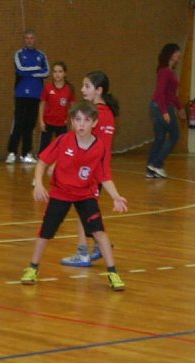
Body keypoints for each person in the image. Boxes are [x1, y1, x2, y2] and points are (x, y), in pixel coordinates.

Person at [19, 101, 128, 291]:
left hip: (85, 194)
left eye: (86, 120)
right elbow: (42, 161)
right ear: (71, 121)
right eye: (77, 119)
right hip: (60, 193)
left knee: (99, 232)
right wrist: (39, 184)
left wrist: (116, 196)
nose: (81, 124)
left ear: (94, 123)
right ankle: (32, 268)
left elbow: (104, 176)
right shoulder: (63, 140)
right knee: (45, 232)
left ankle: (113, 273)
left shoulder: (100, 147)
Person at [60, 70, 120, 267]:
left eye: (87, 86)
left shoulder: (97, 115)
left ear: (99, 90)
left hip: (91, 172)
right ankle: (99, 246)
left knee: (82, 211)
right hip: (95, 170)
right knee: (86, 211)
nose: (82, 90)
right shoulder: (106, 112)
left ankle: (84, 252)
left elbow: (84, 143)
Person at [6, 29, 49, 165]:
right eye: (27, 38)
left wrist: (31, 71)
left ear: (35, 40)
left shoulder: (41, 55)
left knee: (30, 125)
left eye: (32, 38)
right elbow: (20, 70)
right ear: (24, 40)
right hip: (21, 94)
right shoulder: (19, 54)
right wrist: (36, 68)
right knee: (18, 123)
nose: (29, 40)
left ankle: (26, 153)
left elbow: (46, 72)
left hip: (36, 95)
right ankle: (12, 152)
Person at [146, 43, 185, 179]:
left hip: (159, 106)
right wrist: (164, 111)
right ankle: (157, 164)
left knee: (160, 138)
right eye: (176, 51)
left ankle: (150, 169)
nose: (179, 54)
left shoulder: (168, 71)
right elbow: (160, 92)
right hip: (161, 106)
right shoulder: (165, 72)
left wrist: (179, 108)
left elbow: (172, 94)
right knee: (175, 135)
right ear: (170, 54)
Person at [37, 61, 75, 155]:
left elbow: (73, 107)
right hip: (48, 123)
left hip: (62, 124)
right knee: (43, 150)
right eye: (55, 71)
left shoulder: (69, 89)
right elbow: (42, 104)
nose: (57, 74)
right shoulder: (48, 88)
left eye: (60, 71)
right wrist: (41, 121)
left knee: (62, 148)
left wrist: (72, 122)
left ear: (65, 73)